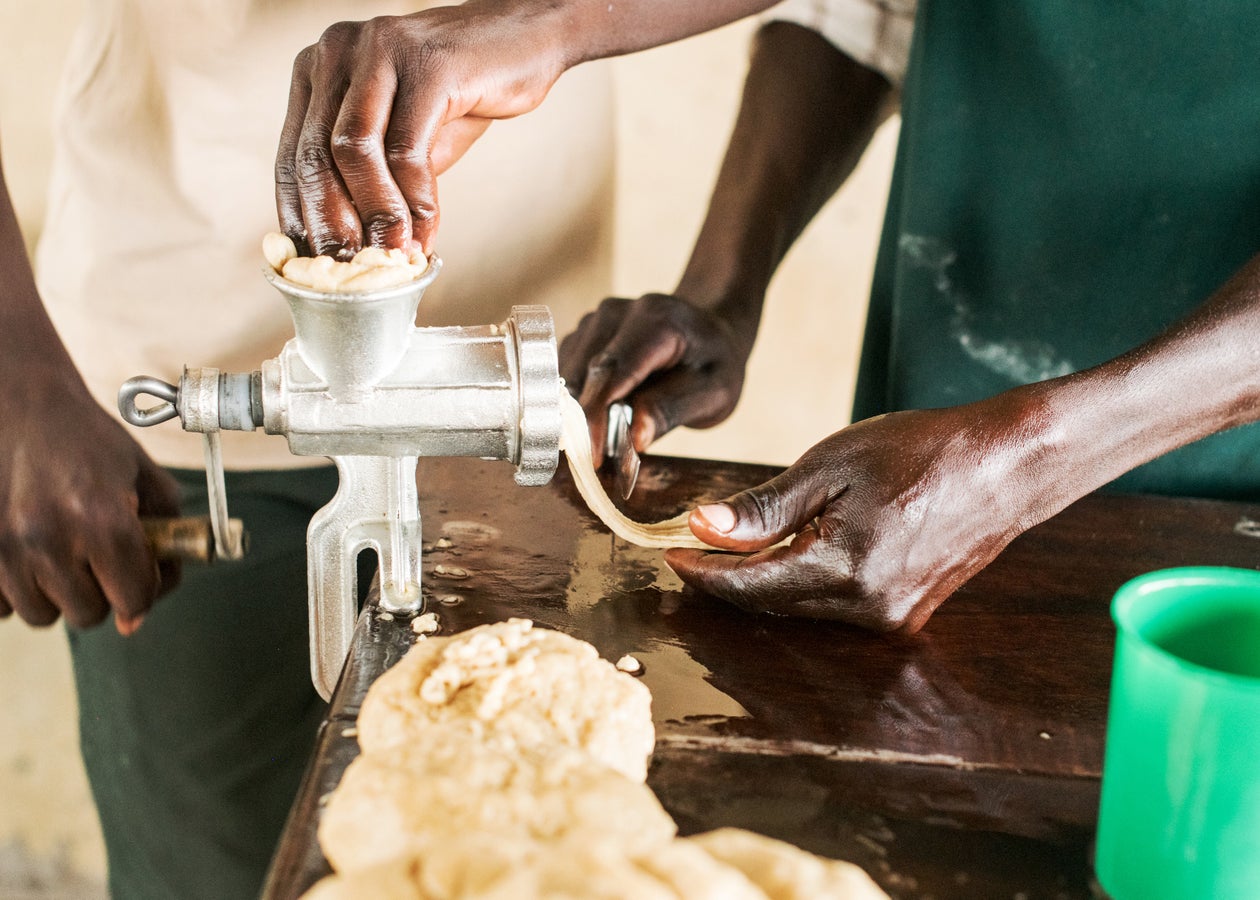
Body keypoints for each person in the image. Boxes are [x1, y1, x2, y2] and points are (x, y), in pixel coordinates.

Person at [281, 0, 1260, 635]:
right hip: (936, 430)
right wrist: (723, 288)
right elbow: (865, 13)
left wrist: (1027, 456)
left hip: (1222, 504)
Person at [0, 1, 615, 897]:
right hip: (163, 400)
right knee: (210, 872)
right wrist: (17, 376)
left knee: (514, 856)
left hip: (515, 409)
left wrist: (545, 25)